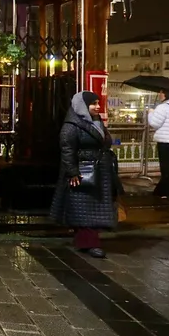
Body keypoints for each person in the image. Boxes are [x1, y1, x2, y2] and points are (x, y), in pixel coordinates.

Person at [50, 91, 121, 258]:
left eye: (98, 103)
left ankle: (84, 241)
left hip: (99, 171)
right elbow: (67, 150)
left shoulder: (96, 122)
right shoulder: (72, 125)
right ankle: (90, 243)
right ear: (82, 106)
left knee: (90, 207)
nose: (98, 106)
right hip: (84, 171)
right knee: (85, 208)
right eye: (93, 103)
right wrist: (73, 172)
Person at [148, 89, 169, 203]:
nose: (160, 94)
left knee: (168, 169)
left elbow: (154, 123)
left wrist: (150, 113)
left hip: (166, 142)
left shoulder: (163, 107)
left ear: (166, 94)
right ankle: (161, 191)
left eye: (161, 92)